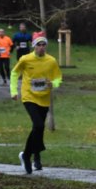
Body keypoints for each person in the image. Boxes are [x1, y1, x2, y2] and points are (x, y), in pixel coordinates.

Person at [10, 32, 62, 174]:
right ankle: (27, 156)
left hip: (44, 98)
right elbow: (14, 73)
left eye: (44, 44)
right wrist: (13, 91)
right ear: (34, 46)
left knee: (38, 128)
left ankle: (34, 156)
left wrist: (54, 84)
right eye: (39, 44)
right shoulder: (25, 59)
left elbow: (58, 77)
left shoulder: (51, 61)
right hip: (29, 96)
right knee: (38, 125)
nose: (41, 47)